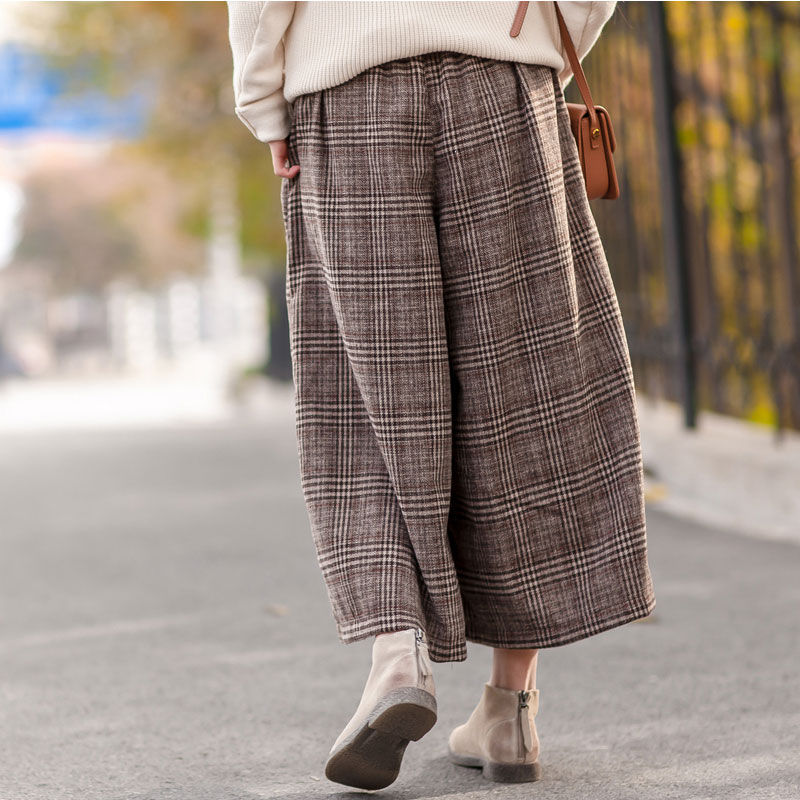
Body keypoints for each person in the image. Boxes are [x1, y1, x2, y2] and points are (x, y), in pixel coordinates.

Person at [227, 0, 656, 791]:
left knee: (370, 391)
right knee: (524, 388)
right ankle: (511, 708)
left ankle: (398, 657)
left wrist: (263, 100)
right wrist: (540, 48)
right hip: (505, 83)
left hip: (350, 92)